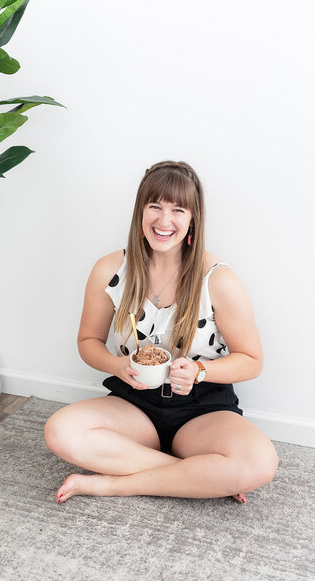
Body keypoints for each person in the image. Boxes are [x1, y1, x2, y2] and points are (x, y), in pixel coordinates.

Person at [44, 160, 278, 504]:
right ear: (140, 211)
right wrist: (116, 365)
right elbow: (88, 342)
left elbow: (252, 361)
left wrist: (201, 370)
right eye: (154, 206)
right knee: (60, 431)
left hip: (202, 410)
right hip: (135, 405)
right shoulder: (109, 270)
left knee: (260, 462)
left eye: (177, 209)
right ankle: (195, 476)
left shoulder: (218, 279)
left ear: (192, 219)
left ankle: (110, 484)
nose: (163, 220)